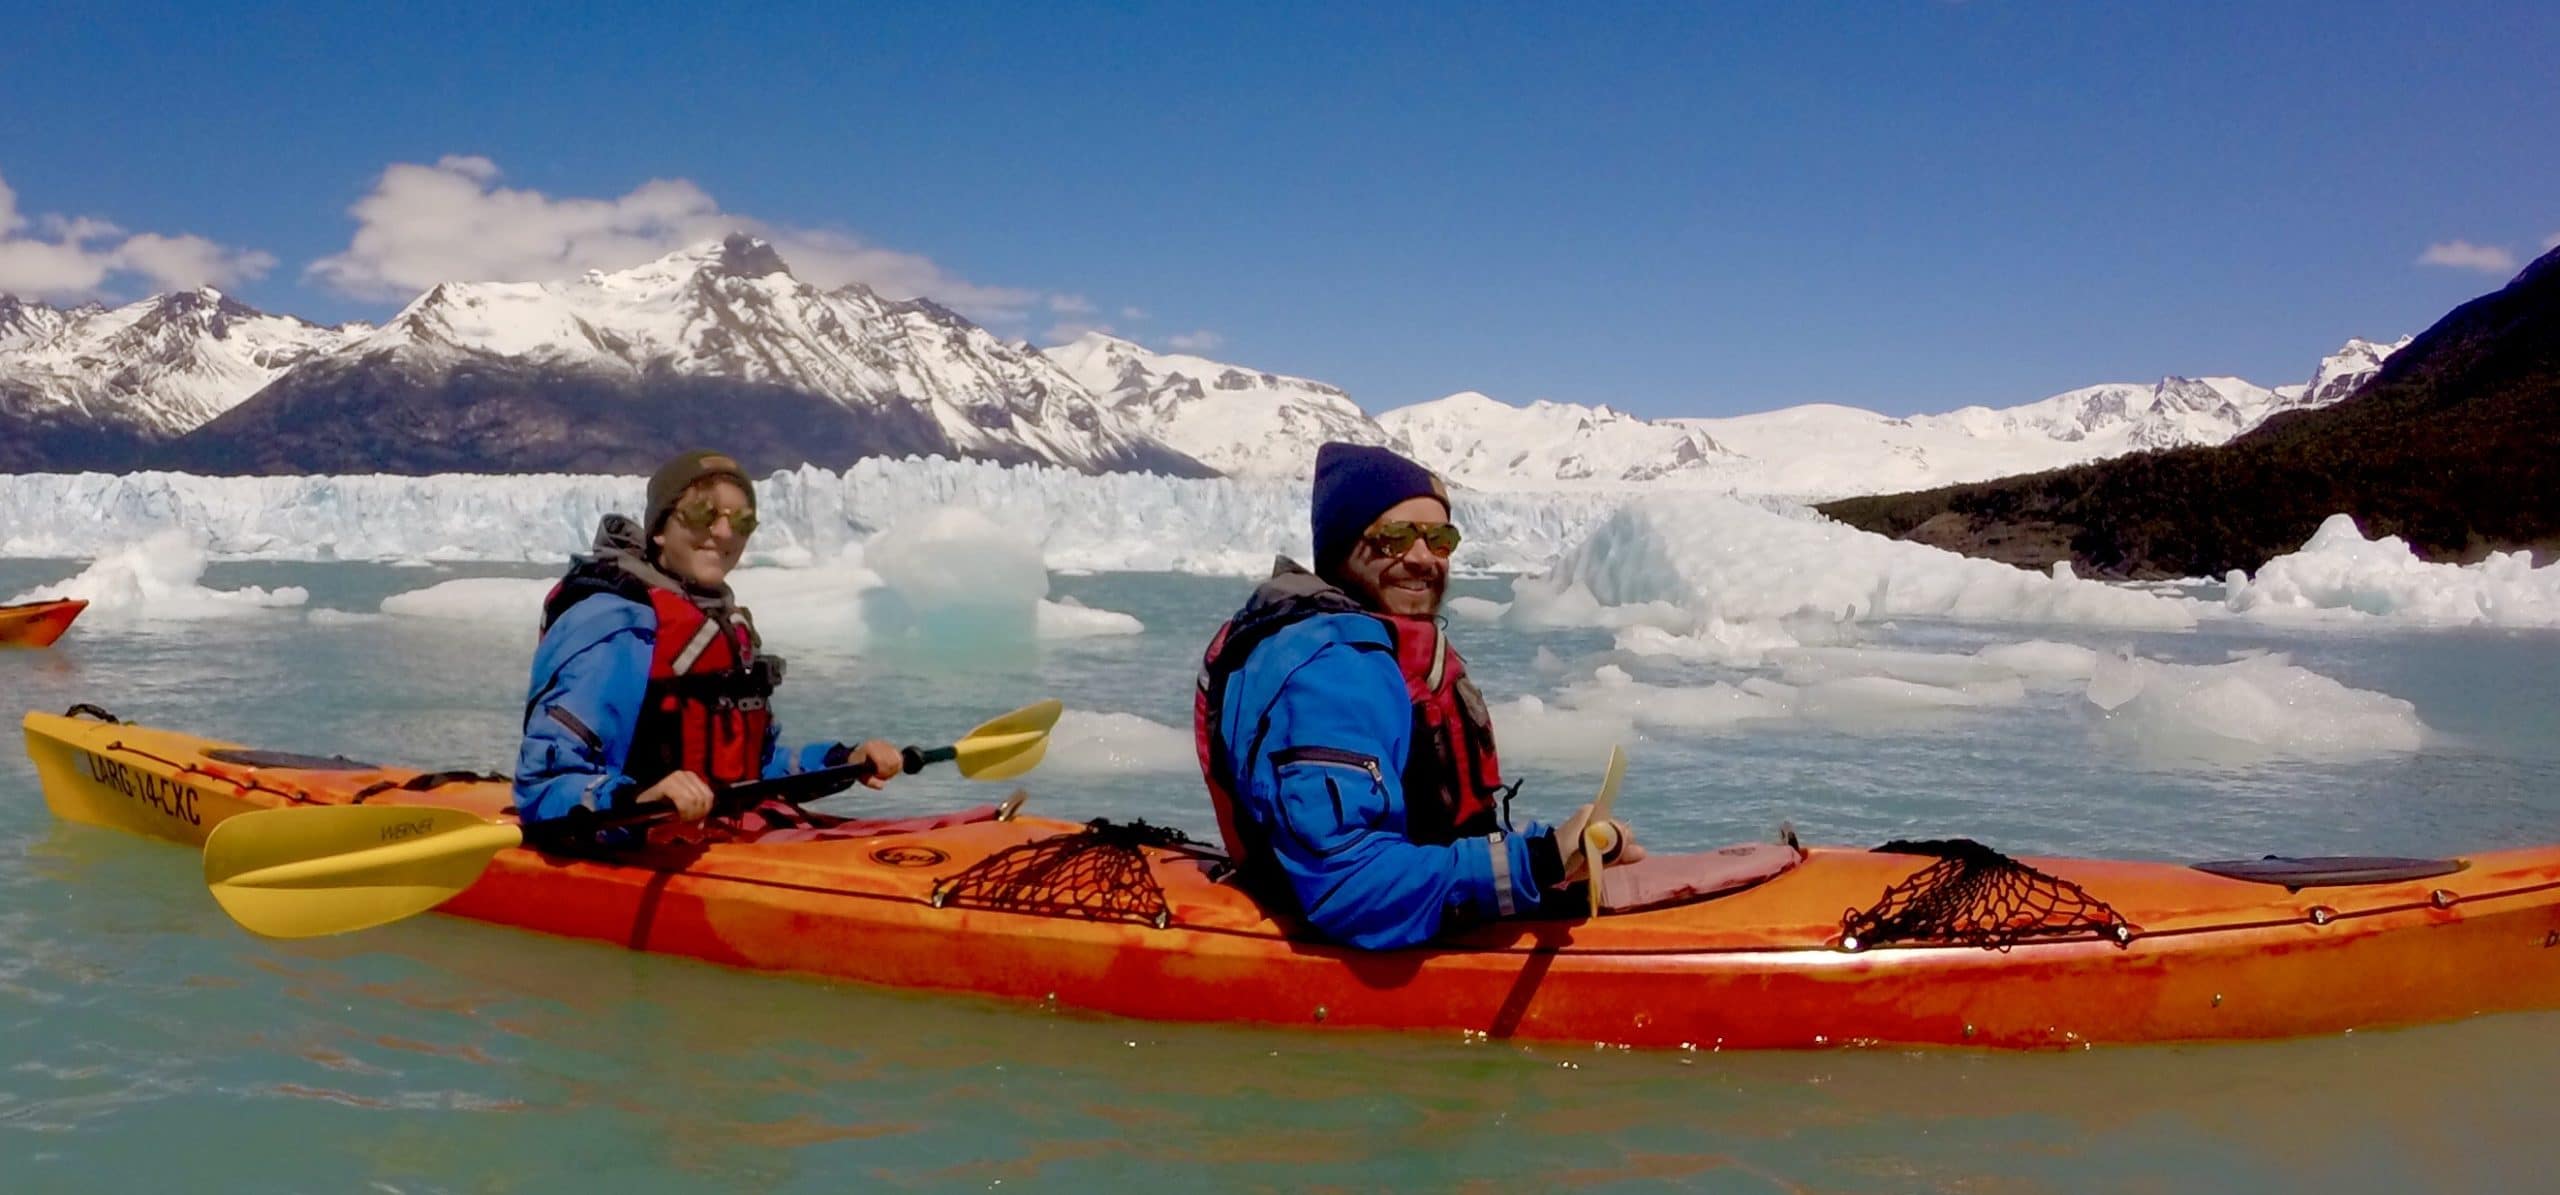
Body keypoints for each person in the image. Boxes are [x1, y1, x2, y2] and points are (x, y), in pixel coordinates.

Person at [1196, 442, 1641, 949]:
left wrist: (1560, 850)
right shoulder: (1330, 671)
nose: (1422, 558)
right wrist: (1535, 864)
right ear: (1343, 546)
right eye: (1394, 538)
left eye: (1439, 539)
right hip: (1363, 933)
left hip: (1421, 901)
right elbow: (1347, 886)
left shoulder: (1375, 650)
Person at [514, 449, 903, 831]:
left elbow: (756, 769)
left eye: (743, 522)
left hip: (717, 839)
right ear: (661, 530)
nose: (723, 533)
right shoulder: (615, 624)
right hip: (629, 847)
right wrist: (641, 801)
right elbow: (544, 784)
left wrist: (844, 760)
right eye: (703, 514)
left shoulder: (718, 622)